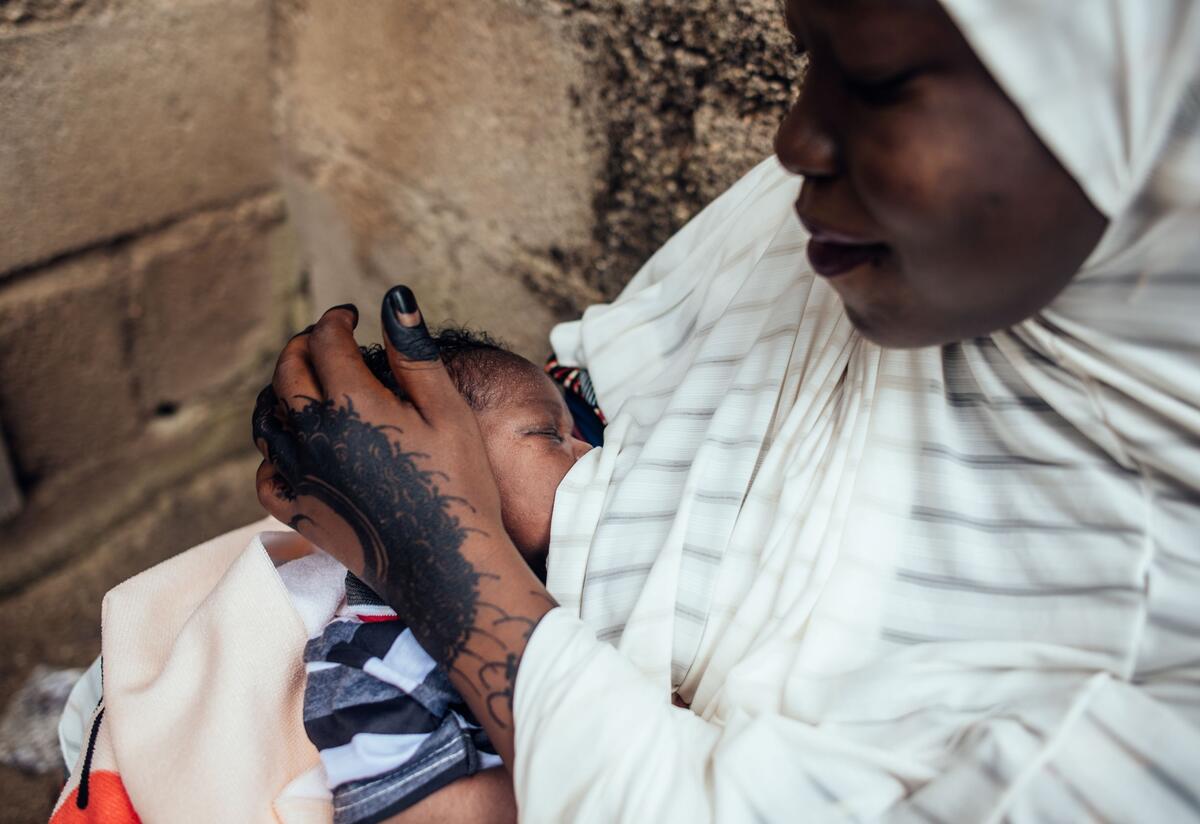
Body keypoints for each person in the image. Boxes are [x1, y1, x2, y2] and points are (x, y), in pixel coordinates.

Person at [53, 0, 1200, 821]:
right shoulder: (846, 226)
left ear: (1144, 117)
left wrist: (439, 556)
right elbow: (608, 368)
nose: (792, 140)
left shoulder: (1147, 701)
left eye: (885, 81)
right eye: (810, 54)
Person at [295, 332, 594, 823]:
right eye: (550, 433)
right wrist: (588, 775)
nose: (588, 453)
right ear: (440, 468)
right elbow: (411, 809)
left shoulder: (573, 571)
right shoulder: (374, 654)